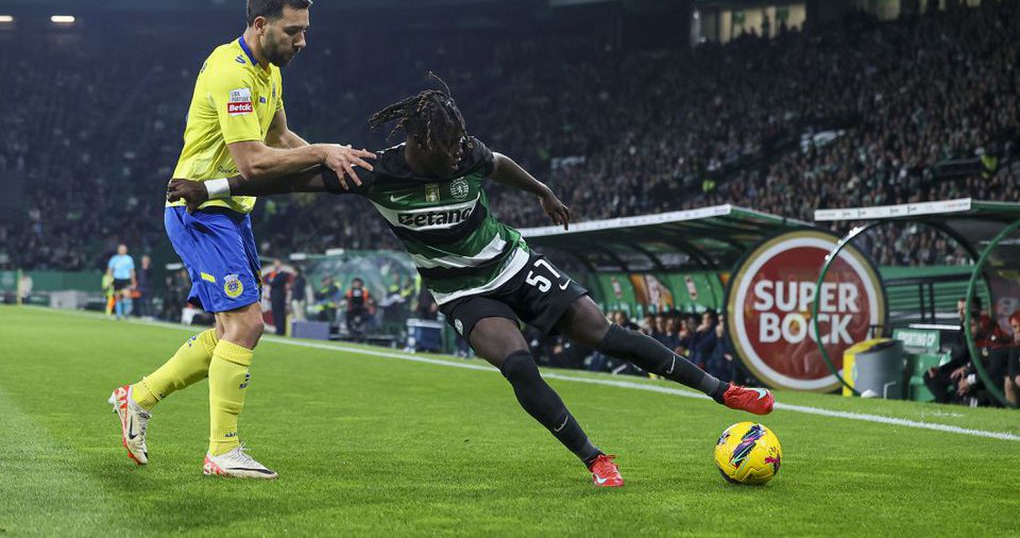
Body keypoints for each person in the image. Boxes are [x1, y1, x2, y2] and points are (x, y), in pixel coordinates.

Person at [167, 74, 774, 488]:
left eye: (461, 147)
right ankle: (596, 459)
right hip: (461, 290)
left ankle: (724, 392)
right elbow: (279, 180)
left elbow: (499, 163)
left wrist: (543, 191)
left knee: (603, 332)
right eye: (446, 151)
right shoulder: (376, 173)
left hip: (511, 262)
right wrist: (208, 188)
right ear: (418, 145)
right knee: (519, 366)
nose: (457, 157)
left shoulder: (464, 150)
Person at [109, 0, 375, 479]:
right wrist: (322, 152)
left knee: (230, 330)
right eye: (293, 31)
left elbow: (280, 136)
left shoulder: (267, 71)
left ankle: (137, 398)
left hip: (231, 210)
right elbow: (253, 162)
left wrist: (334, 160)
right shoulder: (232, 73)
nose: (302, 41)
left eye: (305, 31)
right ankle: (222, 451)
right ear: (260, 24)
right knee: (247, 325)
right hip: (200, 208)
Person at [106, 244, 136, 320]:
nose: (122, 250)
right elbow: (110, 270)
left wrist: (133, 281)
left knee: (127, 296)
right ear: (118, 250)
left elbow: (131, 271)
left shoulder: (129, 259)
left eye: (123, 249)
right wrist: (109, 280)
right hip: (117, 279)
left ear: (126, 250)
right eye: (121, 249)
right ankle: (118, 315)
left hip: (125, 279)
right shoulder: (114, 259)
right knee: (117, 297)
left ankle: (126, 313)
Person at [267, 259, 290, 336]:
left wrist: (272, 281)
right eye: (275, 263)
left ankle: (281, 330)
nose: (276, 265)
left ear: (280, 264)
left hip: (280, 296)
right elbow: (269, 281)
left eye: (277, 263)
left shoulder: (283, 274)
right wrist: (272, 281)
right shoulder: (273, 273)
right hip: (273, 296)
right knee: (275, 312)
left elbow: (275, 282)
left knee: (280, 313)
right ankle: (277, 329)